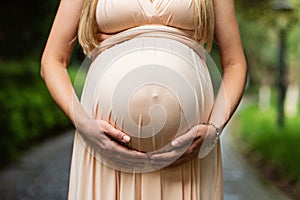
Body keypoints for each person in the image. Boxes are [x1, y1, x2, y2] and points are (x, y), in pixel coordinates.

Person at [41, 0, 247, 199]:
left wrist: (214, 129)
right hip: (106, 154)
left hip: (188, 158)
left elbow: (235, 64)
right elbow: (52, 60)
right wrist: (83, 124)